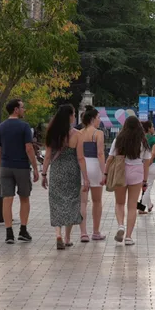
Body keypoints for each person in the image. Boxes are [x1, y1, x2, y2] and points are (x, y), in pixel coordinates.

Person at [41, 104, 89, 250]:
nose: (75, 116)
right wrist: (85, 178)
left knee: (56, 202)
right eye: (74, 113)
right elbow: (80, 158)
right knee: (71, 203)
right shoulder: (77, 135)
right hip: (72, 172)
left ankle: (58, 234)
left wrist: (44, 174)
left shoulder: (52, 132)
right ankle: (68, 238)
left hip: (57, 172)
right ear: (70, 116)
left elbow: (48, 156)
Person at [102, 116, 151, 246]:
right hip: (137, 172)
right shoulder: (143, 141)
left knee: (119, 203)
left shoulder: (119, 139)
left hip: (121, 171)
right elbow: (146, 163)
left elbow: (110, 158)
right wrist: (145, 180)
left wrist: (105, 174)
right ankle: (129, 237)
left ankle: (120, 226)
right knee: (132, 206)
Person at [0, 99, 39, 244]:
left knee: (7, 199)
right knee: (24, 198)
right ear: (16, 109)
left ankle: (9, 233)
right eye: (22, 107)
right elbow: (29, 148)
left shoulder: (1, 127)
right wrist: (35, 167)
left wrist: (0, 168)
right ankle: (23, 230)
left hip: (5, 167)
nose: (24, 109)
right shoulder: (24, 126)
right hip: (21, 167)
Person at [78, 107, 106, 242]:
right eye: (99, 117)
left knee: (83, 202)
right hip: (95, 166)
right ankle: (96, 231)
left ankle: (83, 232)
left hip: (82, 165)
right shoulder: (98, 133)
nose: (100, 120)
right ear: (93, 119)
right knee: (97, 201)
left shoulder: (79, 133)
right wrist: (104, 171)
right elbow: (100, 153)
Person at [139, 121, 155, 214]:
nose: (154, 128)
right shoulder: (154, 139)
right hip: (152, 165)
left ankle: (149, 205)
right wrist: (148, 164)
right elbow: (153, 154)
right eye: (152, 127)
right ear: (148, 128)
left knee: (143, 187)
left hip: (140, 165)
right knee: (148, 187)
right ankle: (141, 208)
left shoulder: (139, 138)